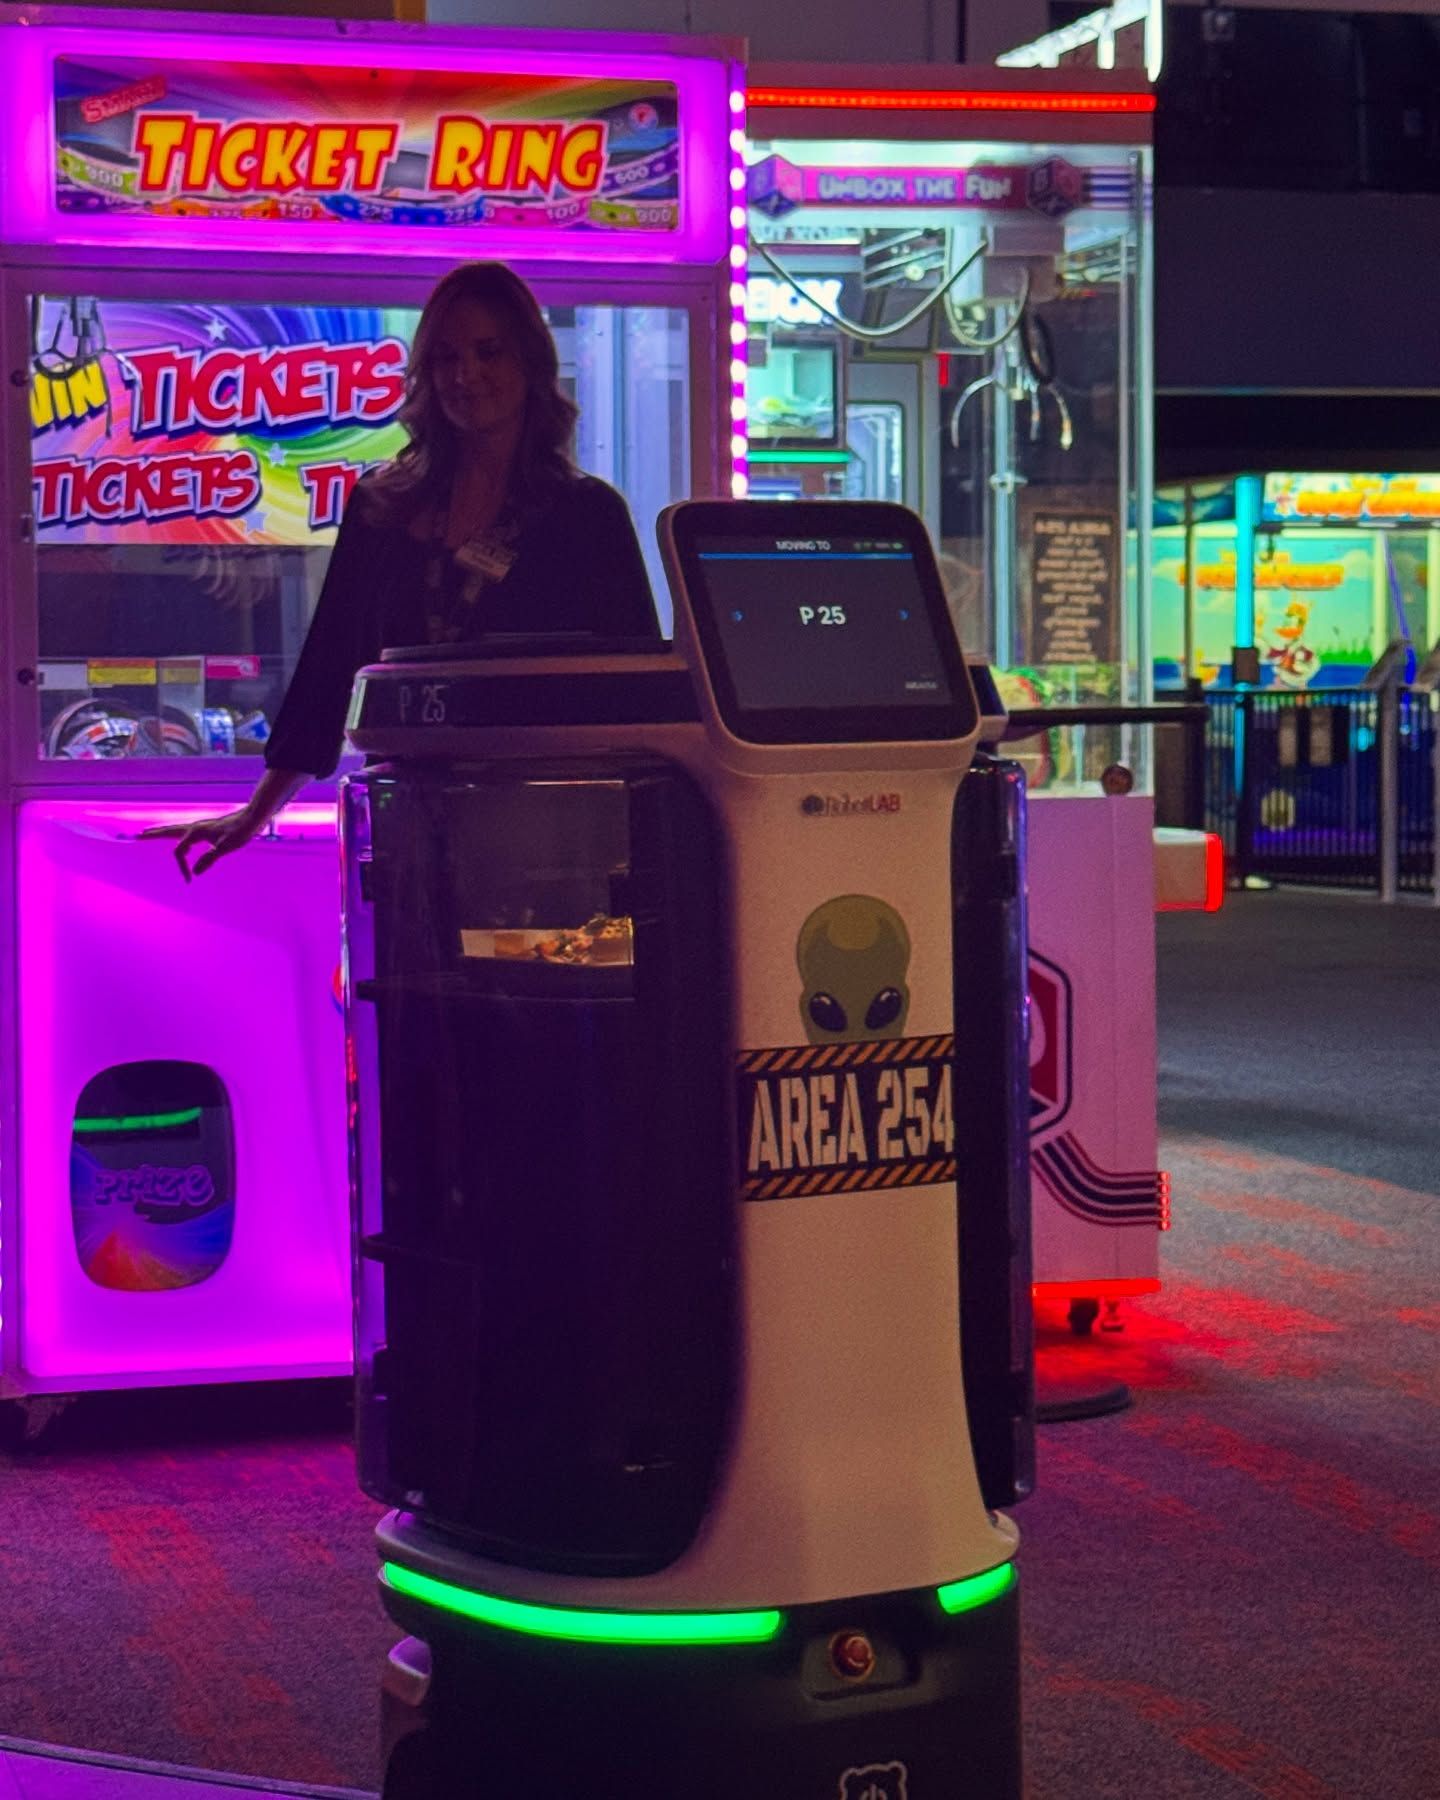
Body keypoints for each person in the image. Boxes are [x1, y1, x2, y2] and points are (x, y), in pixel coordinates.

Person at [154, 262, 659, 880]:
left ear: (530, 363)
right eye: (445, 357)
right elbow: (330, 666)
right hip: (405, 828)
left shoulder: (588, 515)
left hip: (547, 834)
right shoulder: (384, 504)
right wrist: (255, 813)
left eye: (488, 352)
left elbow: (637, 700)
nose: (465, 376)